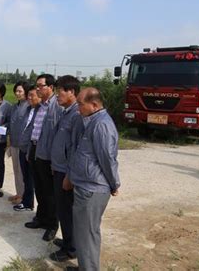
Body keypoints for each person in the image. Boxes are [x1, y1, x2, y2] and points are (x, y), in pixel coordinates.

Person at [66, 87, 121, 271]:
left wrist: (114, 184)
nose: (77, 108)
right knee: (83, 233)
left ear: (94, 105)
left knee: (87, 234)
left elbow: (107, 158)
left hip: (92, 189)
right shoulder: (92, 121)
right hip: (86, 186)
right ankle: (85, 267)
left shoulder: (101, 125)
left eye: (80, 104)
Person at [24, 74, 63, 242]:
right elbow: (35, 129)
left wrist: (55, 159)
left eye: (41, 86)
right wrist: (29, 151)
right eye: (37, 85)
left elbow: (58, 136)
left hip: (48, 155)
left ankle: (52, 225)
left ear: (51, 87)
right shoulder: (40, 106)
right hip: (35, 149)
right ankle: (40, 218)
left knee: (49, 192)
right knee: (39, 188)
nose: (37, 88)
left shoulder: (56, 106)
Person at [49, 75, 81, 262]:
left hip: (66, 173)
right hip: (59, 168)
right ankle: (68, 240)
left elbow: (75, 149)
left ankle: (72, 249)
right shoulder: (66, 111)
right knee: (62, 210)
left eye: (60, 90)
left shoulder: (76, 115)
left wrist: (69, 175)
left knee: (67, 210)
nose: (57, 94)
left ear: (71, 92)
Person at [13, 85, 39, 212]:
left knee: (31, 178)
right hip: (23, 148)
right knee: (26, 177)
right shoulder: (29, 109)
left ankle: (29, 203)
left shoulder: (40, 111)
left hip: (33, 150)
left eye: (32, 95)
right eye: (28, 95)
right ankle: (27, 202)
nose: (29, 98)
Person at [7, 81, 30, 204]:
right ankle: (18, 193)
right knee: (16, 170)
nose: (17, 93)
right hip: (14, 143)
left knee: (23, 172)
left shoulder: (29, 107)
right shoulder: (14, 107)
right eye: (16, 91)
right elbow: (11, 125)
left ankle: (24, 196)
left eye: (20, 91)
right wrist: (9, 141)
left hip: (24, 146)